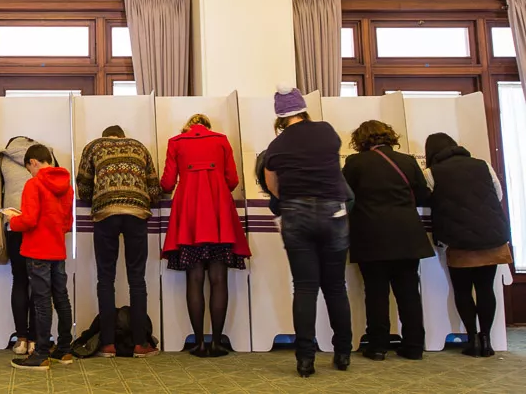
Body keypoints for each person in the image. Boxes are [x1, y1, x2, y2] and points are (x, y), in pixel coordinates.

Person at [263, 86, 351, 378]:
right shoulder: (327, 131)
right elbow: (334, 165)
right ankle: (342, 352)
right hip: (332, 212)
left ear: (279, 116)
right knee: (336, 286)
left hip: (296, 215)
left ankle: (305, 359)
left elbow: (274, 187)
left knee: (304, 288)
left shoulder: (276, 147)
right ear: (302, 108)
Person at [160, 114, 251, 358]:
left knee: (195, 278)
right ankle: (218, 342)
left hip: (189, 213)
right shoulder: (221, 140)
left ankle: (199, 342)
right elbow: (232, 179)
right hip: (218, 211)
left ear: (187, 127)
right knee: (219, 279)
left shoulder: (176, 142)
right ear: (207, 127)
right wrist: (217, 188)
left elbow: (168, 183)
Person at [343, 120, 433, 361]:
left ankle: (378, 347)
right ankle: (414, 346)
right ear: (389, 136)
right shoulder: (408, 161)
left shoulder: (354, 163)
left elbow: (343, 196)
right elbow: (423, 195)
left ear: (360, 140)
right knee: (408, 293)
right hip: (407, 235)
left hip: (371, 235)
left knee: (375, 293)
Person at [424, 132, 513, 358]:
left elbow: (429, 204)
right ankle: (487, 339)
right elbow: (498, 195)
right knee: (485, 289)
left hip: (458, 239)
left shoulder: (431, 173)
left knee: (462, 290)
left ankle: (471, 338)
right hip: (490, 237)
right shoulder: (483, 165)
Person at [77, 125, 161, 358]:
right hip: (136, 213)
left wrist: (102, 193)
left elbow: (83, 186)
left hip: (105, 213)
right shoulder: (139, 147)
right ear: (123, 137)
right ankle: (139, 344)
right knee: (137, 279)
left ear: (106, 137)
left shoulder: (94, 146)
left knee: (105, 278)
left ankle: (107, 344)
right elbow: (154, 188)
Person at [3, 145, 75, 371]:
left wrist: (13, 221)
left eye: (28, 168)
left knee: (42, 302)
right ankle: (63, 349)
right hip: (57, 250)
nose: (30, 173)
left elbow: (30, 220)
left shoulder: (33, 185)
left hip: (37, 251)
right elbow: (67, 223)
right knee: (61, 298)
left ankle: (41, 354)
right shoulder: (67, 186)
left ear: (33, 162)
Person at [0, 135, 44, 355]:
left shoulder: (3, 158)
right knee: (39, 282)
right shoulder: (44, 156)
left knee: (20, 280)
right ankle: (35, 339)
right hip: (39, 226)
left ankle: (21, 339)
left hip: (14, 225)